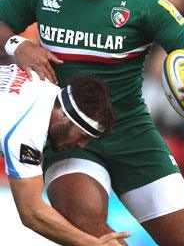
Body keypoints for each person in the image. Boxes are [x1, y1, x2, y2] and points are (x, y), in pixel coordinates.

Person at [0, 0, 184, 245]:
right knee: (84, 218)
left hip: (131, 130)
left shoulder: (143, 2)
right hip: (69, 134)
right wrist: (19, 45)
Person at [0, 64, 128, 245]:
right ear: (63, 115)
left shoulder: (42, 83)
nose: (81, 146)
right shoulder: (27, 129)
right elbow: (31, 213)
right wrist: (89, 243)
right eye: (83, 136)